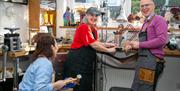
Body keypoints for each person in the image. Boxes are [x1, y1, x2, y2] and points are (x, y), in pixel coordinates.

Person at [63, 7, 117, 91]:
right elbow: (94, 45)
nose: (94, 17)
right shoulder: (84, 27)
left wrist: (108, 44)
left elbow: (95, 42)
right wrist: (109, 50)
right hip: (77, 64)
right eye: (91, 15)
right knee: (78, 87)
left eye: (96, 16)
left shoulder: (93, 29)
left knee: (86, 86)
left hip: (85, 64)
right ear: (86, 15)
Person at [124, 0, 168, 91]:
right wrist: (132, 45)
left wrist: (139, 44)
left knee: (145, 89)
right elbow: (145, 42)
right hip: (143, 61)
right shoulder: (146, 22)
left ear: (154, 6)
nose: (144, 8)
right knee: (137, 88)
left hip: (151, 62)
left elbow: (162, 40)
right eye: (142, 6)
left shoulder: (159, 19)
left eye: (147, 5)